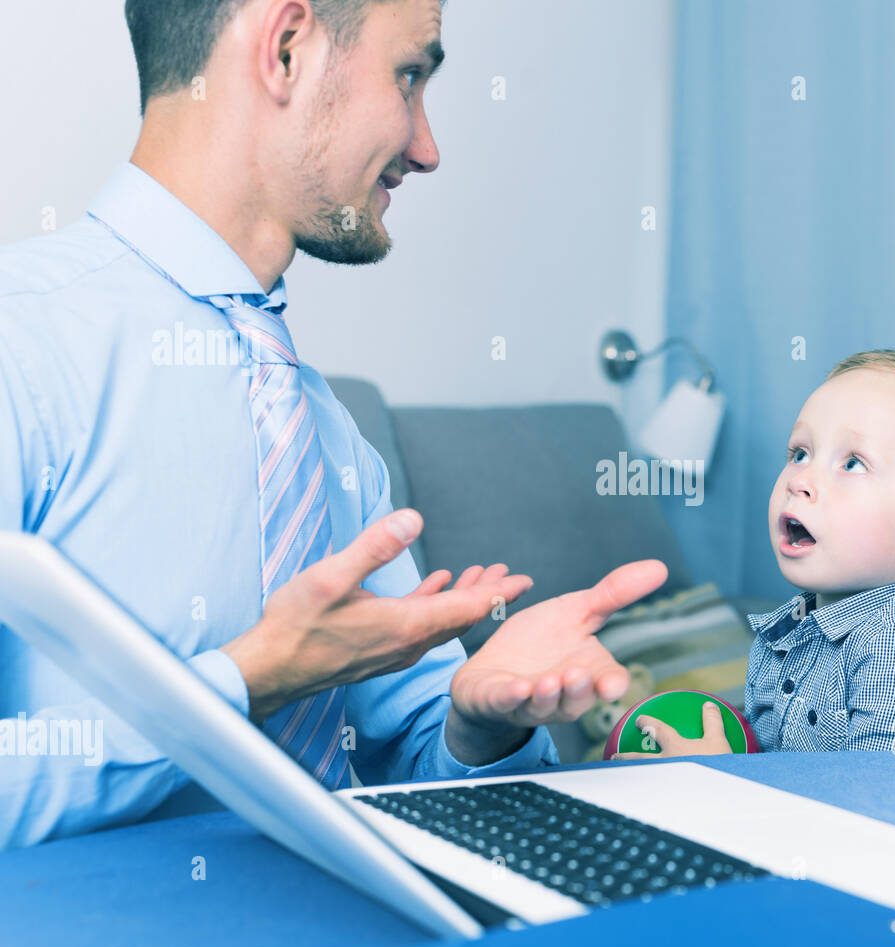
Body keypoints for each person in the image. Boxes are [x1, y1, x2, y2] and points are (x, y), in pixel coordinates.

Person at [0, 0, 667, 850]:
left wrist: (479, 723)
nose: (427, 148)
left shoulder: (321, 432)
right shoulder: (18, 346)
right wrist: (248, 680)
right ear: (286, 50)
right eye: (410, 74)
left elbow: (414, 769)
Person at [614, 350, 895, 758]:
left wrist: (720, 778)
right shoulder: (793, 627)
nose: (800, 480)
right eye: (800, 453)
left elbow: (883, 804)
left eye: (853, 463)